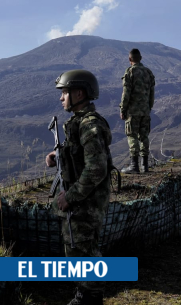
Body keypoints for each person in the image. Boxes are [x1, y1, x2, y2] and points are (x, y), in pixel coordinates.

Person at [45, 70, 112, 305]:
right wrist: (58, 154)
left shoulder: (89, 125)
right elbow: (82, 155)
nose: (61, 98)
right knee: (76, 249)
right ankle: (84, 295)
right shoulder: (79, 123)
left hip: (86, 201)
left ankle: (90, 298)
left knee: (83, 250)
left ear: (79, 93)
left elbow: (96, 168)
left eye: (65, 92)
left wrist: (70, 197)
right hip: (82, 199)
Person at [119, 48, 155, 173]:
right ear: (141, 58)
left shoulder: (130, 72)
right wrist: (148, 107)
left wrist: (123, 108)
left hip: (133, 111)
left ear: (130, 59)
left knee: (132, 135)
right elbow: (152, 93)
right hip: (145, 110)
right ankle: (145, 166)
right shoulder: (148, 73)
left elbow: (126, 93)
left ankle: (134, 166)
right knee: (144, 136)